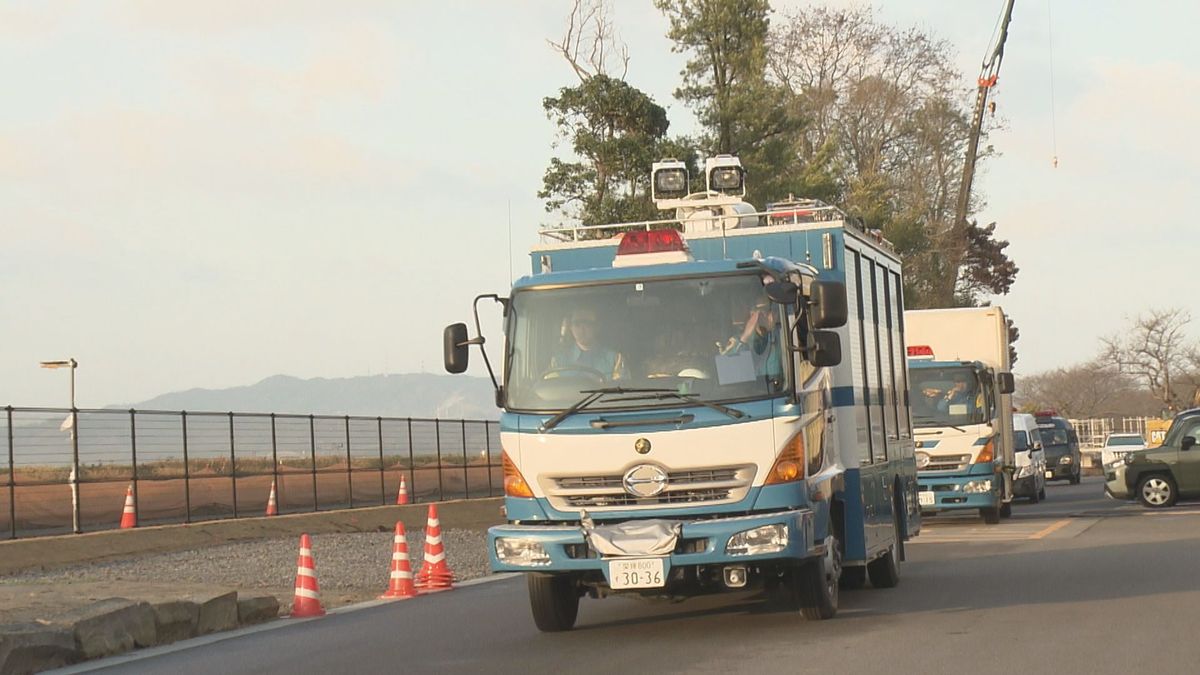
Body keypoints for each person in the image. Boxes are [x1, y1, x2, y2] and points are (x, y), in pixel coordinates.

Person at [548, 308, 628, 380]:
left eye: (587, 323)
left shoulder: (615, 359)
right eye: (577, 323)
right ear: (571, 327)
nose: (582, 328)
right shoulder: (558, 361)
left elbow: (621, 390)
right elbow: (550, 390)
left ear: (597, 327)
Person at [720, 298, 783, 379]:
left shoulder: (783, 335)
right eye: (765, 311)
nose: (770, 316)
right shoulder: (737, 342)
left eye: (774, 311)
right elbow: (729, 373)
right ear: (753, 314)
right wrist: (745, 337)